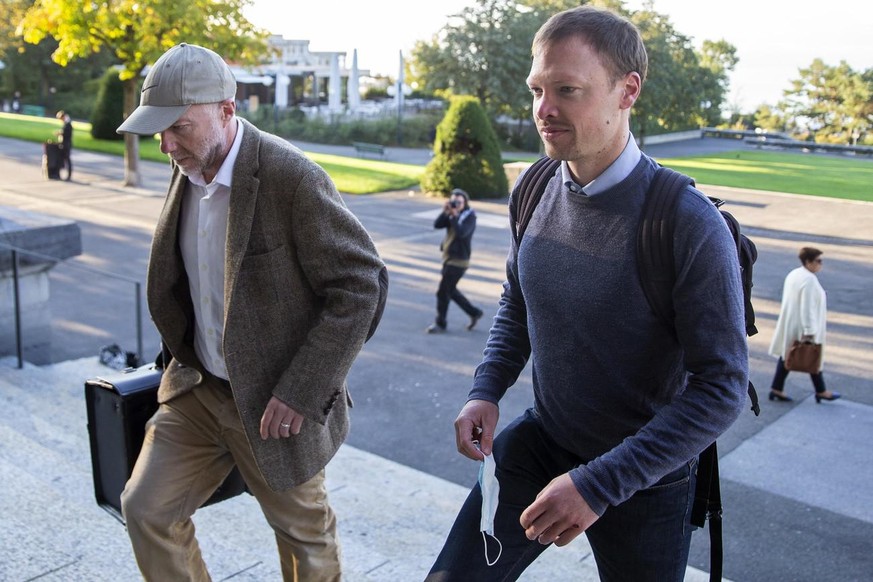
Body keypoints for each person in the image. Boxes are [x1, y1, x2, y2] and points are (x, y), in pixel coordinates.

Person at [426, 6, 748, 581]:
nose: (543, 112)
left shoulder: (685, 221)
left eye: (567, 90)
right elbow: (518, 304)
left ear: (628, 91)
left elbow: (721, 388)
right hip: (544, 440)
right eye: (537, 90)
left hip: (644, 477)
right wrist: (487, 389)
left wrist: (600, 483)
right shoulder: (534, 185)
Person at [115, 43, 385, 581]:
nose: (166, 144)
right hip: (198, 388)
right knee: (146, 509)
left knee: (304, 541)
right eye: (158, 130)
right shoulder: (189, 161)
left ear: (226, 110)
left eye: (179, 128)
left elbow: (362, 286)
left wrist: (301, 391)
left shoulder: (292, 178)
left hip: (273, 405)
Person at [768, 247, 840, 403]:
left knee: (788, 355)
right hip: (802, 327)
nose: (821, 264)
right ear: (808, 261)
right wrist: (809, 331)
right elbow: (807, 307)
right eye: (818, 261)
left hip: (791, 323)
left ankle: (777, 388)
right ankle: (821, 391)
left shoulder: (795, 274)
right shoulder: (809, 280)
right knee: (811, 356)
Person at [426, 188, 484, 334]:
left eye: (459, 202)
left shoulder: (470, 217)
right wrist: (446, 211)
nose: (456, 204)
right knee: (450, 291)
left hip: (459, 261)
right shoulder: (452, 214)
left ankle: (441, 323)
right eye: (453, 201)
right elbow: (437, 224)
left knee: (443, 292)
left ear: (465, 202)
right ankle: (474, 312)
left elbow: (462, 233)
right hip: (448, 258)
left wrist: (454, 216)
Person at [55, 110, 73, 181]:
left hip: (66, 144)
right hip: (65, 144)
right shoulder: (67, 123)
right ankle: (59, 174)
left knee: (66, 160)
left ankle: (68, 175)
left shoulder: (68, 124)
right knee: (63, 159)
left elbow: (66, 133)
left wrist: (60, 133)